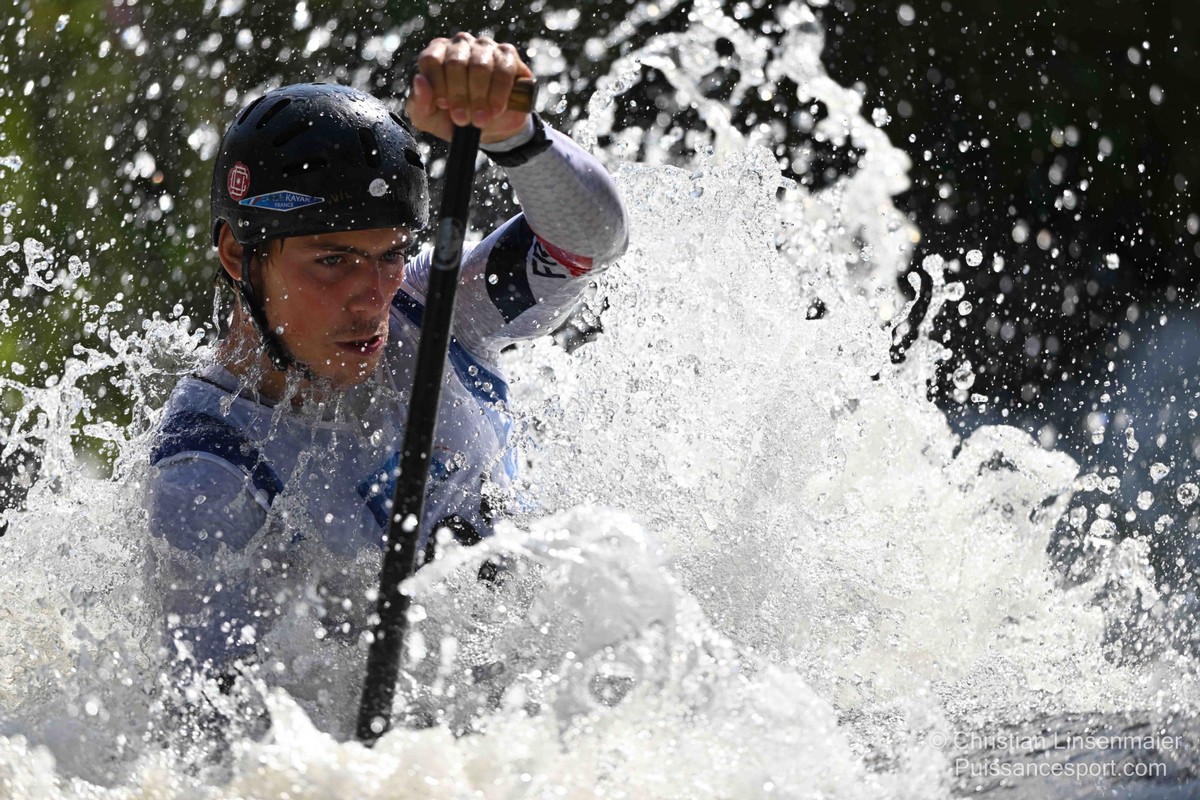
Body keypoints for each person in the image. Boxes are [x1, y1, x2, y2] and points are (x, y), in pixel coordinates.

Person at [145, 32, 628, 736]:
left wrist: (516, 136)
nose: (372, 296)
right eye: (333, 261)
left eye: (390, 254)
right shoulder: (207, 472)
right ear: (237, 255)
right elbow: (213, 738)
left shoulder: (440, 310)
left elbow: (590, 242)